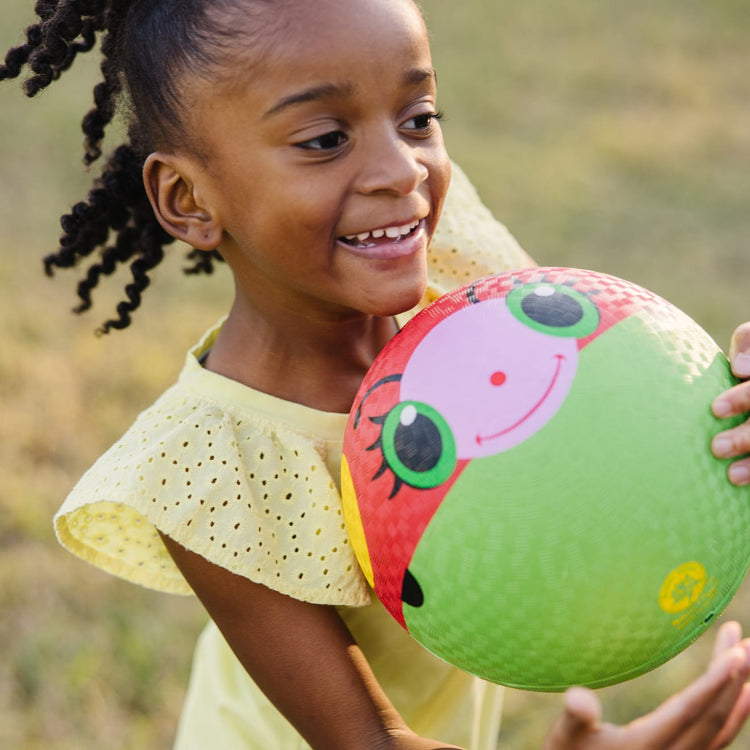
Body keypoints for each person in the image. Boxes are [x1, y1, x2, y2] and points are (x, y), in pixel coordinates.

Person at [3, 1, 750, 748]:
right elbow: (370, 742)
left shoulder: (472, 298)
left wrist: (713, 408)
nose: (401, 171)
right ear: (188, 198)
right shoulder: (213, 463)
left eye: (418, 118)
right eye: (325, 139)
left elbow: (584, 441)